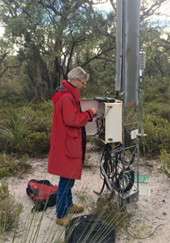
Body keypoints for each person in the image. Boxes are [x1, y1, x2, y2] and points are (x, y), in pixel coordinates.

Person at [47, 67, 98, 227]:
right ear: (75, 80)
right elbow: (73, 120)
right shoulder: (66, 97)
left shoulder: (68, 95)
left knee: (68, 178)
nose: (84, 86)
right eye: (83, 83)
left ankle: (69, 205)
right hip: (66, 144)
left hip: (68, 142)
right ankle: (61, 215)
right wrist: (90, 113)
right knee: (66, 181)